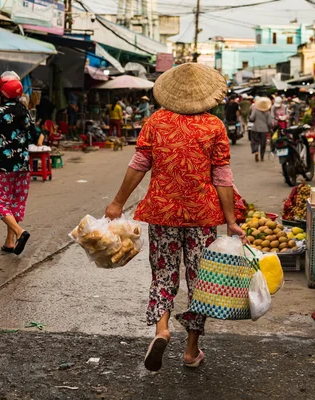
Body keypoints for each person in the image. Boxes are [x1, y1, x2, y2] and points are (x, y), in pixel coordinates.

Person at [104, 63, 247, 372]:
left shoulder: (156, 121)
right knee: (200, 281)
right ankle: (191, 349)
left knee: (163, 275)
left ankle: (162, 330)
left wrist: (117, 203)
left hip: (162, 211)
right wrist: (231, 220)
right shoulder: (214, 126)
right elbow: (222, 176)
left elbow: (139, 163)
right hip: (202, 216)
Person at [0, 72, 42, 255]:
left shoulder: (0, 113)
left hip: (2, 166)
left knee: (1, 202)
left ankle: (19, 232)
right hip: (23, 166)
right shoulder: (24, 111)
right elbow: (36, 136)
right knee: (15, 202)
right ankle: (10, 242)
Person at [249, 97, 273, 162]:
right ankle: (262, 156)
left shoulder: (255, 110)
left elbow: (251, 118)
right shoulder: (267, 113)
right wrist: (270, 128)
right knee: (263, 143)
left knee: (255, 141)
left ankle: (256, 151)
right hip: (264, 130)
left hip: (255, 128)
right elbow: (269, 122)